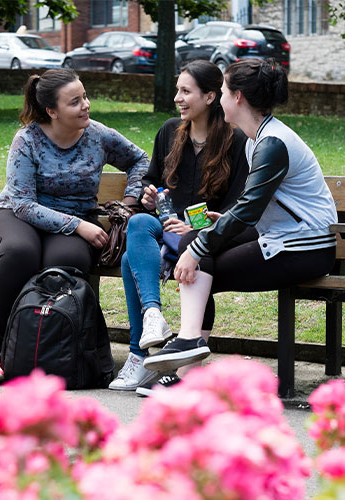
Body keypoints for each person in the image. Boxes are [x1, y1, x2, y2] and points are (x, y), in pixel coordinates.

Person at [143, 58, 338, 374]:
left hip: (306, 248)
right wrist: (208, 234)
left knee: (201, 265)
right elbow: (252, 210)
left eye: (222, 91)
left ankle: (187, 359)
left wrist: (195, 250)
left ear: (237, 98)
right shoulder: (258, 139)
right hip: (282, 238)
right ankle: (188, 348)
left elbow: (248, 209)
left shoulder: (273, 143)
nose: (219, 98)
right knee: (197, 243)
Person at [0, 68, 149, 384]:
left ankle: (51, 351)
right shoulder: (27, 140)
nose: (86, 105)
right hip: (16, 217)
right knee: (19, 253)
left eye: (84, 97)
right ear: (52, 111)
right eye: (75, 102)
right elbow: (23, 204)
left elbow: (140, 160)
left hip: (70, 226)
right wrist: (78, 226)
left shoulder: (98, 135)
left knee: (65, 265)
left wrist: (132, 200)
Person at [108, 60, 249, 391]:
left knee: (132, 260)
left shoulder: (237, 141)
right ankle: (153, 317)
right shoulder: (170, 131)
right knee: (141, 220)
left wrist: (193, 229)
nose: (178, 98)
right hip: (163, 229)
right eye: (178, 91)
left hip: (205, 236)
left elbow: (237, 205)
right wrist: (147, 195)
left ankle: (145, 358)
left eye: (186, 91)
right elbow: (154, 182)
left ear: (211, 96)